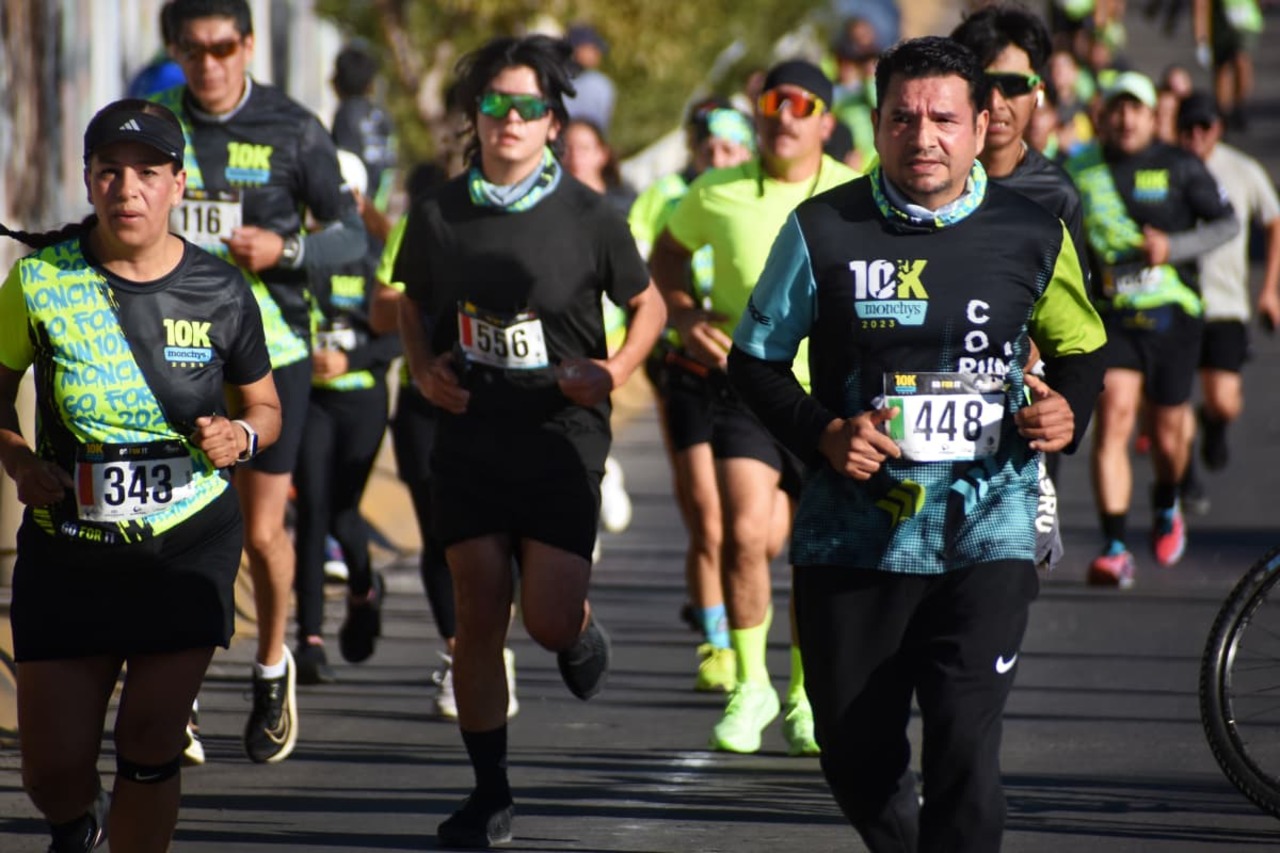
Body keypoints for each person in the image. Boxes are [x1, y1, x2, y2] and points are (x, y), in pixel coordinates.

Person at [727, 37, 1106, 852]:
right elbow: (753, 361)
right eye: (903, 118)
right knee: (856, 757)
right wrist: (825, 433)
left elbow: (1081, 349)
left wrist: (1069, 408)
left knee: (965, 744)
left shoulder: (1032, 232)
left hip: (988, 528)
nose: (922, 137)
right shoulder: (822, 229)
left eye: (943, 119)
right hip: (854, 535)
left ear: (980, 126)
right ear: (875, 126)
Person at [392, 35, 666, 847]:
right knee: (478, 608)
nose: (509, 120)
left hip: (560, 433)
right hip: (472, 430)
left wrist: (614, 370)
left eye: (527, 107)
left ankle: (575, 628)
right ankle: (490, 793)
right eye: (494, 105)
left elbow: (648, 305)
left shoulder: (591, 215)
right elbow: (410, 301)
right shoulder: (438, 213)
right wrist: (422, 368)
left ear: (552, 121)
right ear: (474, 117)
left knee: (543, 618)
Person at [0, 98, 279, 853]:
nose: (128, 188)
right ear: (88, 180)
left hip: (186, 542)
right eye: (110, 172)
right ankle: (74, 822)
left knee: (150, 741)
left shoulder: (222, 290)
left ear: (178, 185)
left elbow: (265, 405)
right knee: (51, 771)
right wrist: (19, 459)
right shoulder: (39, 282)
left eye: (148, 173)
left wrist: (242, 435)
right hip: (69, 550)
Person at [156, 0, 367, 764]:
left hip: (272, 351)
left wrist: (286, 252)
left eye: (222, 48)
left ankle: (273, 666)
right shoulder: (154, 124)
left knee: (261, 529)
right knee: (170, 528)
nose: (207, 64)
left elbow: (352, 237)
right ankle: (172, 692)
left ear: (247, 46)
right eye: (192, 49)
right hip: (170, 347)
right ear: (176, 50)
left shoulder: (295, 127)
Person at [650, 59, 858, 756]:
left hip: (834, 397)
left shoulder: (858, 193)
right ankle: (750, 685)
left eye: (802, 105)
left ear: (826, 121)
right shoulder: (716, 190)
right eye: (773, 103)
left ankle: (802, 691)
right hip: (752, 388)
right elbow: (668, 254)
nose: (785, 117)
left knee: (808, 549)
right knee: (742, 533)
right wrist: (683, 314)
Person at [1064, 71, 1238, 588]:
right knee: (1115, 414)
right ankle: (1115, 547)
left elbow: (1227, 222)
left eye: (1135, 109)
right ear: (1102, 115)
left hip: (1172, 312)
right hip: (1112, 313)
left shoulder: (1180, 165)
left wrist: (1173, 248)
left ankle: (1166, 500)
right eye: (1116, 108)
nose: (1125, 119)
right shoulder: (1079, 168)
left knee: (1165, 434)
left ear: (1150, 116)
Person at [374, 162, 522, 721]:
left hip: (495, 404)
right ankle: (461, 653)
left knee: (498, 536)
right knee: (439, 534)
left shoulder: (513, 231)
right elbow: (382, 308)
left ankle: (491, 645)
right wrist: (422, 299)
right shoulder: (417, 227)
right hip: (425, 402)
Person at [951, 2, 1091, 569]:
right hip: (922, 396)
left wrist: (1062, 401)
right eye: (983, 83)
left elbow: (1077, 327)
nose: (997, 101)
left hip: (1017, 408)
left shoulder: (1056, 195)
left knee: (1003, 571)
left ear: (1039, 93)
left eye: (1014, 85)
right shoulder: (913, 179)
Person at [628, 98, 756, 693]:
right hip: (683, 370)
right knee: (707, 516)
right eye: (709, 148)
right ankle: (717, 642)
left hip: (751, 377)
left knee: (755, 531)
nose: (719, 158)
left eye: (731, 148)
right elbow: (635, 268)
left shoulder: (758, 196)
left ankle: (738, 607)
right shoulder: (666, 197)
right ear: (694, 150)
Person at [289, 150, 402, 685]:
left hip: (361, 400)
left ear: (357, 199)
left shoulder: (378, 255)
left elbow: (401, 338)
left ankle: (363, 588)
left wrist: (349, 361)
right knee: (312, 508)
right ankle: (309, 639)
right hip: (310, 400)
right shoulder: (293, 253)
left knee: (343, 514)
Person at [1175, 91, 1280, 505]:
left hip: (1225, 303)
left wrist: (1269, 290)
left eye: (1205, 127)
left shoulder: (1242, 169)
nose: (1196, 135)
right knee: (1172, 403)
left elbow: (1274, 220)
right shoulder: (1164, 167)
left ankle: (1213, 421)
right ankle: (1184, 478)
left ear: (1218, 128)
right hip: (1173, 301)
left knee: (1225, 400)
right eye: (1188, 128)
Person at [331, 40, 398, 218]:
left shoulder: (345, 115)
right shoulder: (382, 116)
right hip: (383, 204)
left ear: (337, 82)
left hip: (360, 209)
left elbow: (343, 164)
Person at [1194, 0, 1264, 130]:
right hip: (1221, 23)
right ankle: (1223, 112)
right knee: (1223, 67)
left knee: (1241, 59)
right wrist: (1201, 41)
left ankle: (1240, 106)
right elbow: (1200, 5)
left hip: (1245, 22)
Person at [563, 23, 616, 132]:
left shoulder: (599, 83)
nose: (598, 54)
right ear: (577, 48)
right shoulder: (599, 85)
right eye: (592, 48)